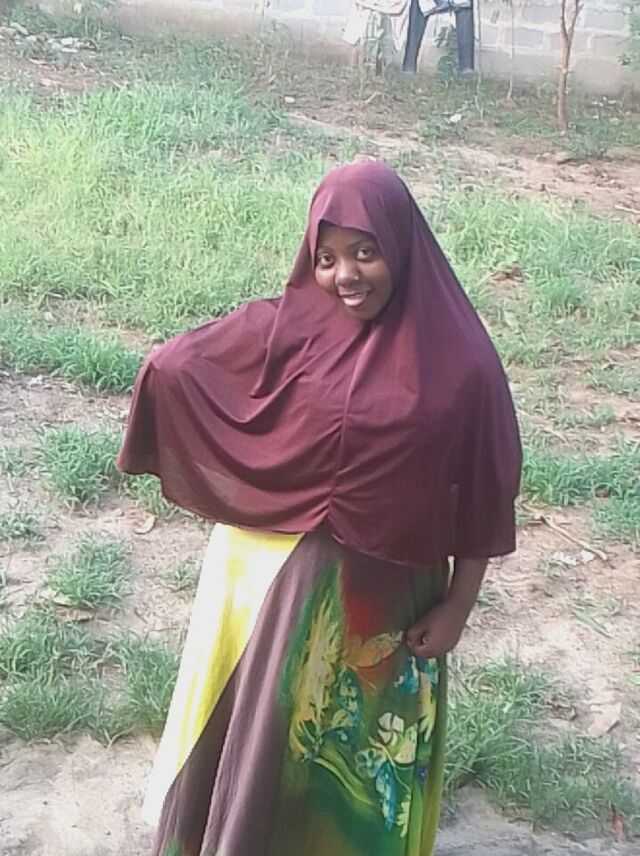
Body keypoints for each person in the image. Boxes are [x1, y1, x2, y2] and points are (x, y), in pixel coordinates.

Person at [118, 161, 521, 856]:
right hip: (271, 586)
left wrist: (460, 602)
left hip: (382, 605)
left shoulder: (462, 367)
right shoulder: (290, 329)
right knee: (262, 740)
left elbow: (485, 492)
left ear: (402, 246)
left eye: (365, 252)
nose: (345, 276)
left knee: (352, 762)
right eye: (326, 258)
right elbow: (176, 364)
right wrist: (249, 462)